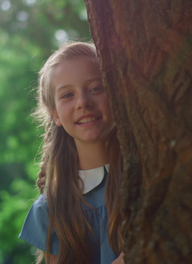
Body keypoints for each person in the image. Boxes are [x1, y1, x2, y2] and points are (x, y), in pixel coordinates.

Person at [19, 41, 125, 264]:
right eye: (67, 95)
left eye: (96, 88)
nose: (83, 102)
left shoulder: (149, 175)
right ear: (54, 114)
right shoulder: (51, 209)